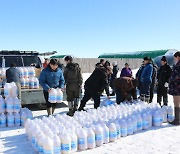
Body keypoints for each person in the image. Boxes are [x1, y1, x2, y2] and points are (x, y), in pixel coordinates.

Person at [169, 51, 180, 125]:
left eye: (174, 58)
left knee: (176, 103)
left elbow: (177, 75)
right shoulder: (176, 64)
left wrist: (171, 78)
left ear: (178, 57)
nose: (174, 59)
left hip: (177, 87)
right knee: (177, 103)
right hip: (176, 87)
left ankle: (177, 120)